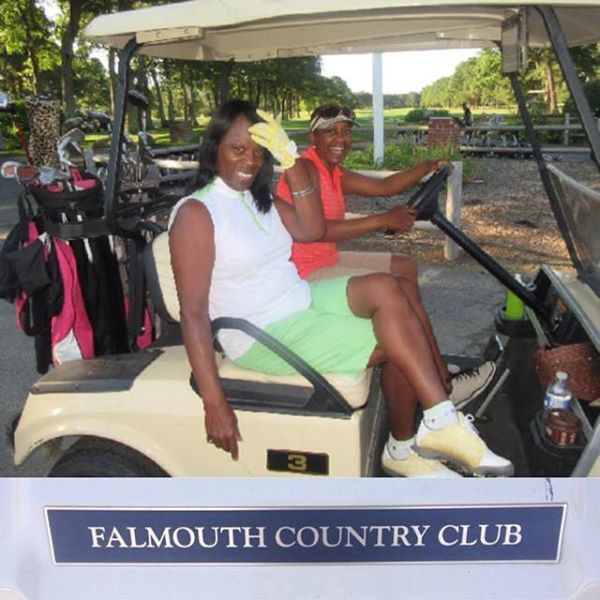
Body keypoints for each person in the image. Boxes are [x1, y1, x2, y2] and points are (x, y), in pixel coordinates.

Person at [168, 99, 513, 478]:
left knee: (389, 288)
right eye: (238, 149)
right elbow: (194, 312)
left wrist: (292, 162)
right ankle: (428, 429)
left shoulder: (256, 198)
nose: (249, 161)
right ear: (213, 147)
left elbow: (312, 230)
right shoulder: (197, 214)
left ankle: (426, 429)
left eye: (258, 151)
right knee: (400, 339)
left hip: (298, 299)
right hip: (261, 333)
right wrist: (214, 402)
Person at [276, 104, 494, 408]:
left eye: (346, 131)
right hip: (304, 271)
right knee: (400, 291)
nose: (341, 138)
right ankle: (442, 381)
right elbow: (317, 231)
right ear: (314, 137)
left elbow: (383, 187)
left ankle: (434, 365)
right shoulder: (307, 169)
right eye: (331, 132)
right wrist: (381, 221)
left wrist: (427, 166)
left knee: (404, 266)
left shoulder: (333, 171)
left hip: (324, 259)